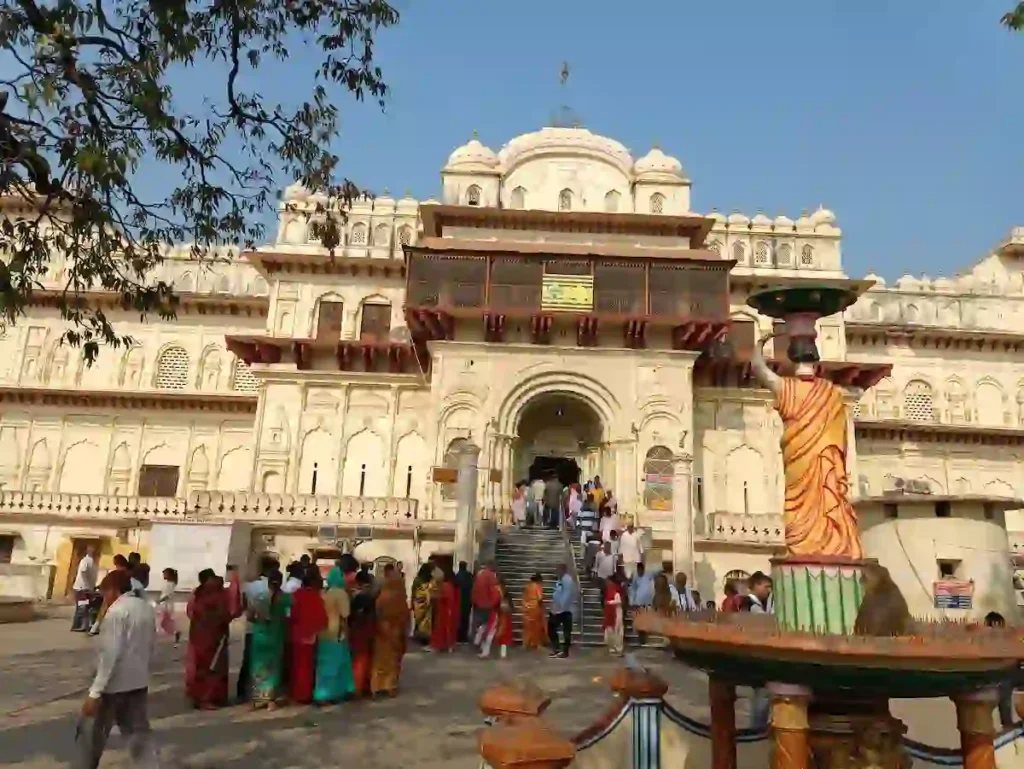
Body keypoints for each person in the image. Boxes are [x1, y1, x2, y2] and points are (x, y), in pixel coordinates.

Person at [75, 569, 158, 769]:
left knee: (92, 736)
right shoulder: (146, 607)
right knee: (139, 736)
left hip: (113, 686)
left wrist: (95, 693)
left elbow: (110, 655)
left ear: (113, 590)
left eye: (105, 593)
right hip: (138, 682)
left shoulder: (117, 612)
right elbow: (151, 645)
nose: (104, 598)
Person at [185, 569, 239, 709]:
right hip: (215, 636)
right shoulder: (220, 594)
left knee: (200, 666)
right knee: (213, 668)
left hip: (199, 635)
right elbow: (231, 613)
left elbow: (190, 612)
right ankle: (208, 698)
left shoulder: (198, 593)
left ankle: (198, 697)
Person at [237, 555, 278, 702]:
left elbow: (242, 607)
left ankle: (242, 691)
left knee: (248, 660)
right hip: (267, 629)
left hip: (250, 628)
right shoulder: (273, 586)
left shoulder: (249, 586)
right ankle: (263, 693)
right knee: (266, 663)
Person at [250, 569, 290, 710]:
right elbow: (290, 618)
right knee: (273, 669)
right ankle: (271, 700)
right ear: (281, 582)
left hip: (260, 637)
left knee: (259, 667)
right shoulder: (286, 599)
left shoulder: (259, 597)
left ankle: (258, 699)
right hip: (276, 637)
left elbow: (250, 617)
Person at [314, 567, 355, 705]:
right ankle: (335, 693)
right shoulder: (341, 594)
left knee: (325, 663)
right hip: (337, 632)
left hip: (324, 632)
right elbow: (345, 615)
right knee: (338, 664)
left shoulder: (325, 593)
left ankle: (321, 693)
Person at [289, 568, 328, 705]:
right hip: (311, 636)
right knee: (308, 666)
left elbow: (291, 615)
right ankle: (305, 694)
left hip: (296, 635)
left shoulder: (295, 595)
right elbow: (322, 619)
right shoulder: (317, 597)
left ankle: (297, 693)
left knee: (297, 666)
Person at [371, 572, 409, 697]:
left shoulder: (382, 596)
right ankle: (390, 686)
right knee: (393, 660)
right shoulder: (401, 599)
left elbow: (376, 613)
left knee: (380, 660)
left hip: (381, 631)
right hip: (396, 632)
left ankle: (377, 686)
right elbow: (405, 618)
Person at [348, 571, 376, 698]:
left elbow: (352, 614)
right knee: (368, 658)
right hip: (370, 629)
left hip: (358, 629)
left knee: (359, 660)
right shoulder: (373, 595)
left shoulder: (359, 597)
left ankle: (357, 688)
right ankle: (367, 686)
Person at [985, 612, 1015, 728]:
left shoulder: (1006, 638)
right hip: (996, 675)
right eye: (993, 625)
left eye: (998, 625)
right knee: (1004, 692)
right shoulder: (986, 639)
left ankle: (1007, 723)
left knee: (1005, 692)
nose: (996, 629)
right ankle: (1006, 723)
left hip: (1006, 673)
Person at [548, 563, 577, 658]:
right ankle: (558, 649)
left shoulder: (567, 580)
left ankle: (563, 651)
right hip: (559, 609)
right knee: (554, 628)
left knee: (565, 631)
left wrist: (559, 608)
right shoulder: (561, 580)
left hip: (564, 610)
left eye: (558, 570)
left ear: (563, 570)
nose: (556, 572)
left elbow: (567, 595)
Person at [472, 561, 500, 646]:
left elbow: (474, 589)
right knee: (488, 625)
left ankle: (479, 639)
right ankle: (482, 641)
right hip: (488, 604)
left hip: (478, 603)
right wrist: (495, 602)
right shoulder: (492, 576)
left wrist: (474, 600)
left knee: (481, 622)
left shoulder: (479, 575)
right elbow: (494, 591)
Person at [430, 570, 459, 653]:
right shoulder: (452, 586)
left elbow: (444, 597)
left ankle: (443, 645)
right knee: (449, 628)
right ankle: (449, 645)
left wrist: (434, 595)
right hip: (450, 609)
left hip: (445, 610)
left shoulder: (446, 585)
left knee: (443, 628)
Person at [71, 546, 99, 632]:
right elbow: (83, 572)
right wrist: (87, 586)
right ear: (89, 551)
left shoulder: (93, 562)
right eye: (93, 551)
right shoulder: (85, 561)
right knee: (82, 607)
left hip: (88, 589)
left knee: (87, 607)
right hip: (82, 588)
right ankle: (77, 626)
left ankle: (85, 625)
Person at [521, 573, 548, 650]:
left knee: (527, 627)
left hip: (526, 608)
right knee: (536, 627)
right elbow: (540, 598)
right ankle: (536, 643)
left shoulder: (528, 586)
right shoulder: (538, 586)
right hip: (535, 608)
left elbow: (524, 597)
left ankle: (526, 643)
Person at [410, 563, 435, 645]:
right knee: (427, 620)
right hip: (428, 602)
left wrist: (412, 602)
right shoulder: (431, 579)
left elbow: (413, 591)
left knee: (419, 620)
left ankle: (419, 636)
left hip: (418, 602)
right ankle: (425, 638)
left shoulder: (417, 579)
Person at [603, 573, 625, 657]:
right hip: (609, 613)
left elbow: (619, 601)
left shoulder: (616, 592)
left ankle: (618, 648)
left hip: (617, 612)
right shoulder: (608, 592)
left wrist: (609, 602)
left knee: (617, 630)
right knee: (610, 631)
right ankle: (612, 647)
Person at [155, 568, 180, 645]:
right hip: (165, 604)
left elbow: (168, 596)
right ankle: (175, 632)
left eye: (165, 574)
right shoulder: (169, 583)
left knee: (162, 619)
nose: (163, 575)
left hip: (166, 605)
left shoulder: (170, 584)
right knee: (165, 620)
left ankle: (174, 632)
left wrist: (160, 601)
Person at [453, 561, 474, 643]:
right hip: (467, 601)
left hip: (459, 601)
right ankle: (464, 637)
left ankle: (458, 637)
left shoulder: (457, 576)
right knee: (466, 619)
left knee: (458, 619)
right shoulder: (469, 576)